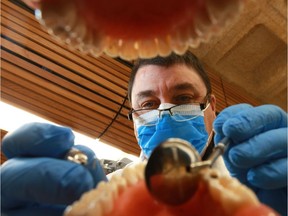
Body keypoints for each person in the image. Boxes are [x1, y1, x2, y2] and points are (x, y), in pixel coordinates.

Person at [1, 52, 287, 216]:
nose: (165, 112)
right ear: (135, 119)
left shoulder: (260, 178)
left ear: (211, 107)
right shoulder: (99, 192)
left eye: (183, 97)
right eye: (148, 104)